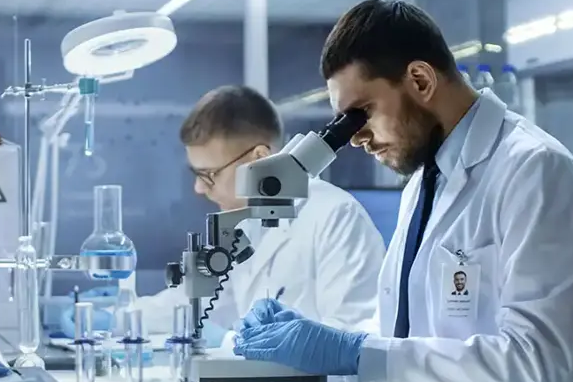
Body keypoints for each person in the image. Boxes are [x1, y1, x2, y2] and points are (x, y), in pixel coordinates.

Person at [233, 0, 573, 382]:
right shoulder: (424, 185)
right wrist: (318, 343)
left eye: (361, 113)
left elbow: (536, 365)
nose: (356, 138)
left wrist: (350, 353)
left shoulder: (534, 170)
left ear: (421, 80)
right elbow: (411, 337)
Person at [60, 85, 385, 347]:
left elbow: (354, 343)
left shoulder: (335, 217)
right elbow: (197, 304)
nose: (199, 189)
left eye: (209, 174)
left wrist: (232, 342)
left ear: (258, 158)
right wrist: (116, 317)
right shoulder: (244, 222)